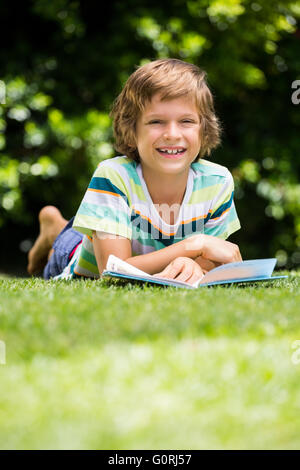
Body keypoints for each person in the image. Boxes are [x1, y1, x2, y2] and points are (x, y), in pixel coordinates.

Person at [27, 58, 242, 285]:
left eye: (186, 121)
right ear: (132, 130)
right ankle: (54, 230)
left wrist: (194, 263)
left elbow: (212, 261)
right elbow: (112, 270)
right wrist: (193, 246)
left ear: (203, 129)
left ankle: (57, 226)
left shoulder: (217, 182)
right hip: (80, 257)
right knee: (67, 245)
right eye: (156, 121)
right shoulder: (113, 176)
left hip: (109, 231)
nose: (172, 134)